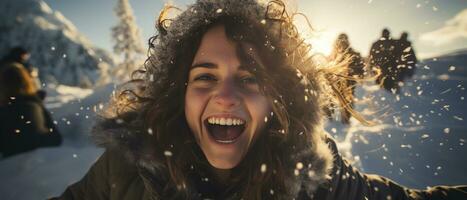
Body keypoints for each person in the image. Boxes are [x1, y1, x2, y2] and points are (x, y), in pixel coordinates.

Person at [54, 0, 467, 199]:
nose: (226, 96)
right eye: (204, 77)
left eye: (250, 79)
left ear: (279, 99)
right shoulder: (125, 170)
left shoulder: (311, 179)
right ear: (176, 93)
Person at [0, 62, 62, 158]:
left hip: (10, 163)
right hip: (40, 160)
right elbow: (56, 138)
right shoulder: (34, 103)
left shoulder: (4, 109)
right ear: (26, 81)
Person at [328, 33, 365, 124]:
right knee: (330, 98)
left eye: (344, 41)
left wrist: (358, 74)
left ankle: (345, 119)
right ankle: (330, 118)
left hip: (348, 81)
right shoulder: (334, 54)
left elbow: (360, 67)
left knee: (347, 99)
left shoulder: (353, 54)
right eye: (341, 41)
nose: (342, 43)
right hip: (335, 81)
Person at [368, 28, 400, 93]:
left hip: (384, 67)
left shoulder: (378, 43)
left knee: (384, 83)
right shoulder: (393, 43)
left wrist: (372, 66)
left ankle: (387, 92)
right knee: (386, 82)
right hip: (387, 67)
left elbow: (371, 56)